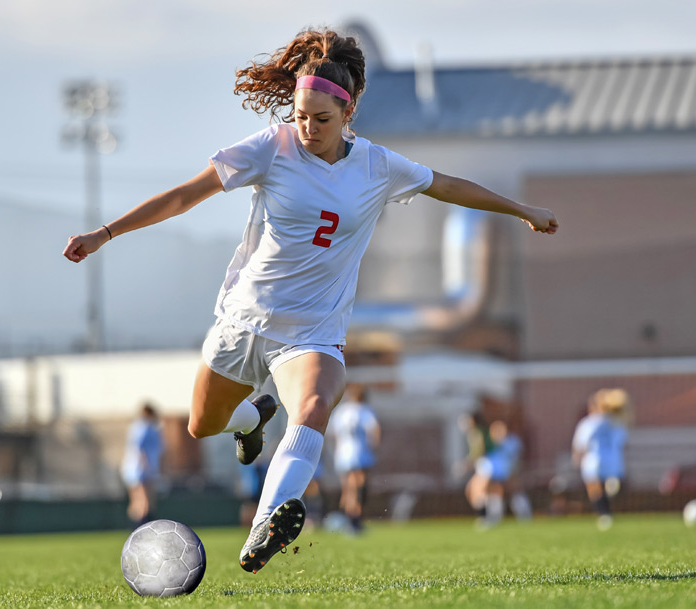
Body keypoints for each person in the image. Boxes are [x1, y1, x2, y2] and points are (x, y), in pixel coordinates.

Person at [63, 28, 558, 573]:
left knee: (316, 405)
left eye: (321, 119)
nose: (308, 127)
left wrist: (523, 210)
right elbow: (185, 195)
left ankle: (263, 528)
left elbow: (449, 186)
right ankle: (250, 420)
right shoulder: (270, 148)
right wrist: (105, 233)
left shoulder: (375, 166)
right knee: (202, 425)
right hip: (245, 320)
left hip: (313, 332)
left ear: (348, 112)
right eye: (300, 115)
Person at [571, 389, 630, 530]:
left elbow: (580, 444)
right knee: (608, 488)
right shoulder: (617, 423)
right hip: (614, 460)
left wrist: (576, 458)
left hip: (594, 459)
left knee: (594, 487)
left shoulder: (589, 423)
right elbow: (623, 442)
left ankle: (604, 514)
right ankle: (611, 490)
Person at [328, 384, 380, 534]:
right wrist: (374, 447)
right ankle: (354, 519)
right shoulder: (364, 411)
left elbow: (332, 433)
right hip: (361, 454)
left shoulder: (341, 411)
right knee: (358, 487)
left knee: (348, 488)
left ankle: (348, 518)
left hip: (343, 455)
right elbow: (374, 430)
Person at [120, 403, 164, 528]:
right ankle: (141, 529)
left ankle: (138, 529)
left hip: (138, 470)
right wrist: (145, 466)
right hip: (140, 470)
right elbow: (138, 448)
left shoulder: (143, 428)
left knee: (141, 502)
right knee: (144, 502)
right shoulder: (143, 428)